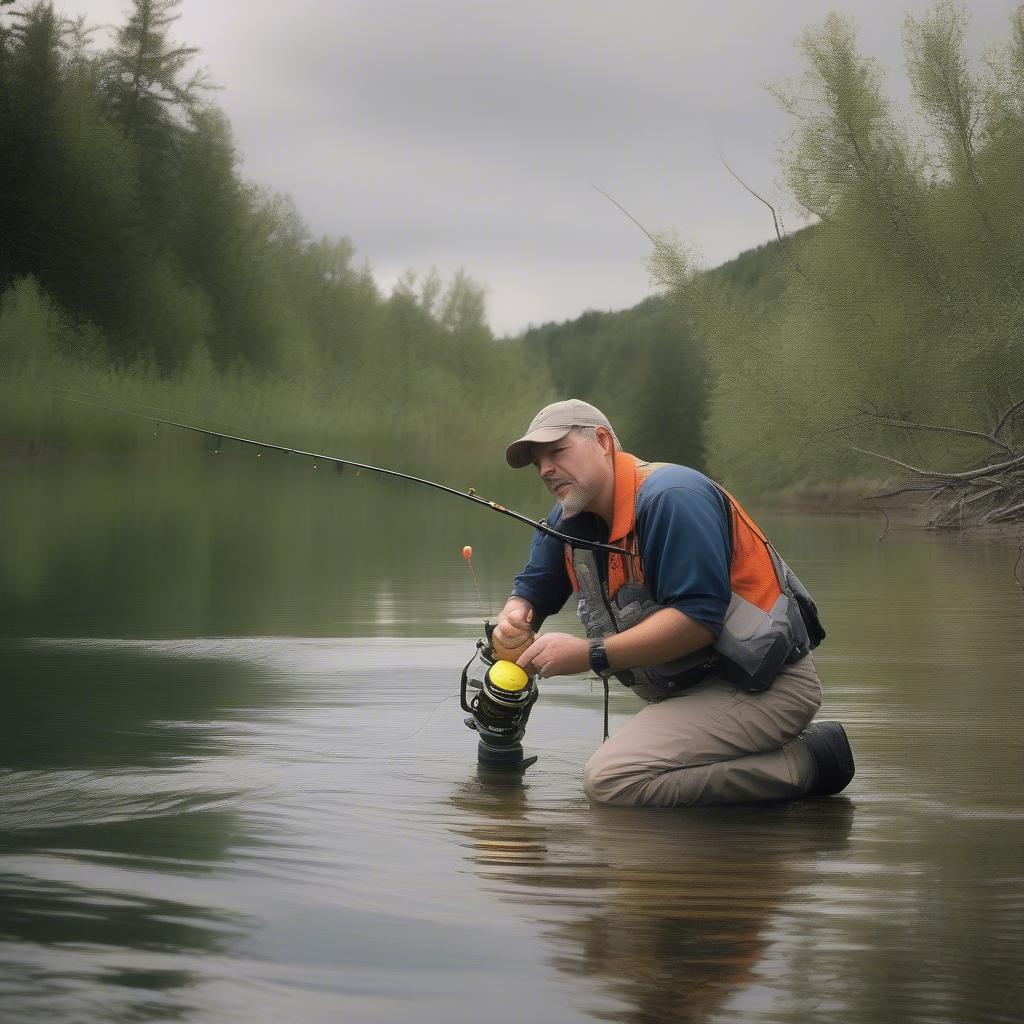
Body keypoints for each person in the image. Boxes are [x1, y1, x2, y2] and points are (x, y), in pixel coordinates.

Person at [493, 399, 855, 807]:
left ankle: (806, 762)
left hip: (768, 687)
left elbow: (697, 621)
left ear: (602, 441)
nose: (545, 469)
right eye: (538, 461)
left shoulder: (674, 497)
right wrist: (516, 615)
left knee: (611, 780)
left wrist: (588, 655)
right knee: (618, 778)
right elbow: (533, 587)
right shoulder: (570, 516)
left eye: (557, 452)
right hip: (696, 693)